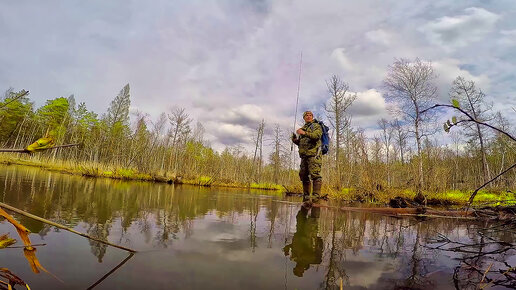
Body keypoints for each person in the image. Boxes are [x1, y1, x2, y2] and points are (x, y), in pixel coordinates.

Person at [291, 111, 323, 206]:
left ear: (312, 117)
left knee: (315, 175)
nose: (308, 117)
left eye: (310, 115)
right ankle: (306, 197)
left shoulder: (316, 126)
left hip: (314, 155)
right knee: (303, 176)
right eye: (306, 115)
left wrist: (304, 133)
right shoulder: (304, 128)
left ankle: (316, 198)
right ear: (304, 118)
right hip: (304, 156)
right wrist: (295, 140)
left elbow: (316, 136)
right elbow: (302, 143)